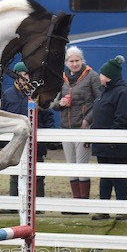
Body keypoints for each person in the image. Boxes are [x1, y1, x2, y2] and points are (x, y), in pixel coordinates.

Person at [0, 61, 55, 212]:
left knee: (37, 173)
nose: (25, 78)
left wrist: (49, 138)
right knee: (14, 171)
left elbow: (48, 116)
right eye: (21, 75)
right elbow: (1, 116)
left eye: (26, 75)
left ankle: (38, 206)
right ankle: (13, 205)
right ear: (16, 77)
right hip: (14, 139)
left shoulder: (38, 94)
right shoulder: (8, 94)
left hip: (36, 140)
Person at [50, 46, 101, 201]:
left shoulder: (92, 76)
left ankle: (83, 202)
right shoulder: (61, 78)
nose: (74, 64)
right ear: (66, 62)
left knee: (81, 164)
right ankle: (75, 200)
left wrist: (87, 120)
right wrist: (61, 103)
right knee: (71, 165)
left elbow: (100, 101)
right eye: (71, 61)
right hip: (66, 127)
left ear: (82, 60)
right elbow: (53, 103)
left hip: (83, 127)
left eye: (77, 60)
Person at [90, 55, 127, 220]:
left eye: (101, 73)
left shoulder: (122, 92)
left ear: (108, 76)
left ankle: (122, 209)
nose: (99, 76)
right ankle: (104, 209)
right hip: (103, 145)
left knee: (118, 178)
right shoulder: (106, 92)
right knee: (105, 179)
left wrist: (113, 140)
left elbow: (123, 119)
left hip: (115, 146)